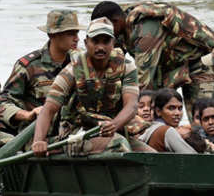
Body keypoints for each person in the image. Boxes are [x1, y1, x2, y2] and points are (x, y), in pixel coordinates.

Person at [90, 1, 214, 118]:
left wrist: (126, 114)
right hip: (173, 66)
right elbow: (112, 66)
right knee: (158, 110)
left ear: (116, 21)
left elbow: (144, 77)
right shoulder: (117, 28)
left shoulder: (145, 27)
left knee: (203, 116)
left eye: (105, 32)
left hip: (201, 62)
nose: (103, 38)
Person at [32, 18, 138, 156]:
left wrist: (115, 125)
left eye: (105, 41)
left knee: (151, 155)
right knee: (119, 144)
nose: (100, 47)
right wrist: (38, 141)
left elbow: (132, 105)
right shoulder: (72, 70)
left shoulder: (127, 66)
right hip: (77, 134)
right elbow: (48, 109)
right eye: (95, 41)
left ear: (113, 43)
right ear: (86, 43)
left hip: (112, 129)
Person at [0, 9, 84, 133]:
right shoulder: (29, 66)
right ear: (53, 35)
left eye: (77, 33)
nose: (77, 39)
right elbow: (2, 103)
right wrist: (27, 114)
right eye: (70, 33)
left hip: (70, 133)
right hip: (37, 135)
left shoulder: (79, 64)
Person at [138, 89, 199, 153]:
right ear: (158, 111)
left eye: (180, 108)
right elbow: (192, 158)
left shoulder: (151, 129)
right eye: (171, 108)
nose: (177, 113)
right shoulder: (167, 131)